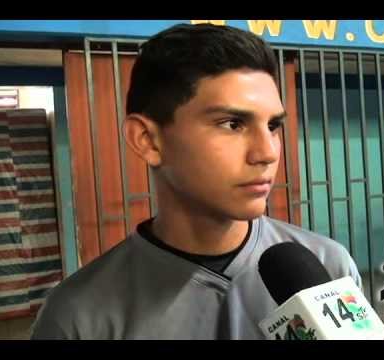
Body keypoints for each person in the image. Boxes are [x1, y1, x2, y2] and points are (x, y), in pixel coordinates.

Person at [31, 23, 361, 340]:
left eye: (273, 126)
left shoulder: (328, 266)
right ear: (148, 140)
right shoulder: (78, 316)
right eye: (233, 123)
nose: (267, 153)